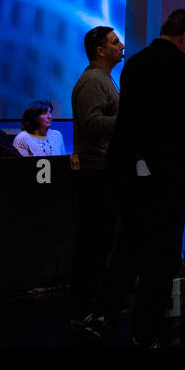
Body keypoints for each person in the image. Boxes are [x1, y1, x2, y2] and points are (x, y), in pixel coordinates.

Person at [109, 9, 185, 348]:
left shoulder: (135, 63)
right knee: (161, 259)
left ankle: (109, 319)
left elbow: (133, 120)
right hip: (168, 177)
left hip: (133, 173)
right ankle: (145, 335)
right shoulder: (184, 67)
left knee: (129, 248)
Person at [69, 25, 125, 336]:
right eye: (115, 42)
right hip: (95, 172)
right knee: (93, 242)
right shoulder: (93, 81)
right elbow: (92, 124)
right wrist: (129, 119)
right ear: (100, 50)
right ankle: (83, 311)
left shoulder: (103, 80)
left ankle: (92, 307)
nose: (121, 45)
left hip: (103, 170)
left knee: (100, 241)